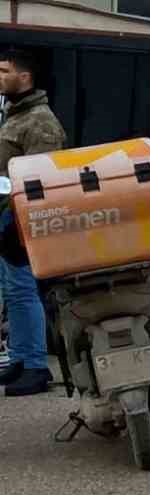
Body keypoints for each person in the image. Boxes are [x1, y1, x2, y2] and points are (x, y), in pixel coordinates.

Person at [0, 49, 66, 398]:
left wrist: (20, 223)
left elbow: (40, 182)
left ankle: (37, 367)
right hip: (5, 214)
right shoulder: (14, 114)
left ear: (24, 77)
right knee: (13, 292)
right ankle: (22, 360)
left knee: (25, 291)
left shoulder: (40, 122)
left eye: (3, 70)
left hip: (20, 217)